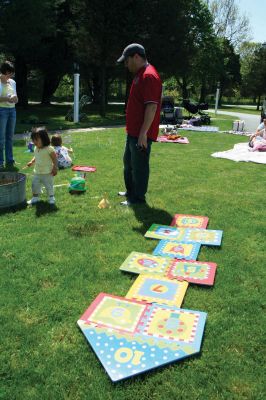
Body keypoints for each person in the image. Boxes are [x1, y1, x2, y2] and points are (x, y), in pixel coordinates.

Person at [116, 43, 162, 206]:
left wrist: (143, 133)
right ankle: (130, 192)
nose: (126, 65)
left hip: (140, 134)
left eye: (127, 61)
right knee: (128, 164)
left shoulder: (149, 76)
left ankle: (138, 198)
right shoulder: (139, 74)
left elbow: (152, 106)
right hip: (133, 132)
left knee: (139, 166)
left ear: (136, 57)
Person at [26, 127, 57, 205]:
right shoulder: (36, 148)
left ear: (44, 139)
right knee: (35, 185)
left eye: (36, 139)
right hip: (37, 172)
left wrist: (55, 167)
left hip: (47, 172)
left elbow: (55, 159)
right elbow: (36, 156)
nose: (34, 142)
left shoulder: (49, 149)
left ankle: (51, 197)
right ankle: (35, 197)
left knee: (49, 186)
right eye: (33, 140)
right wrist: (32, 161)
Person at [0, 61, 18, 169]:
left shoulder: (12, 82)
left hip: (12, 111)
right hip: (1, 111)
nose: (11, 76)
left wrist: (15, 99)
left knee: (10, 137)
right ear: (5, 72)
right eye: (10, 73)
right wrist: (7, 99)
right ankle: (0, 162)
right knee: (1, 138)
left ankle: (10, 160)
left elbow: (16, 97)